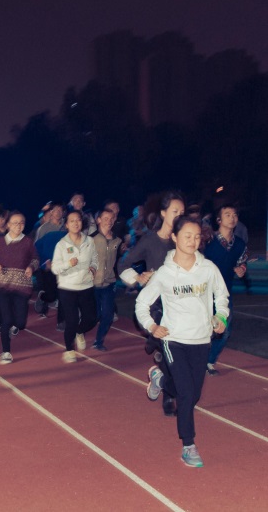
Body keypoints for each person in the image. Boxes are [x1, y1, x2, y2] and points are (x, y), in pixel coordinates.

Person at [135, 218, 229, 467]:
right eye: (187, 236)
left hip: (202, 339)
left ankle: (160, 380)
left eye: (197, 236)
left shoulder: (208, 268)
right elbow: (142, 303)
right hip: (173, 339)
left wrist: (221, 317)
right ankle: (189, 445)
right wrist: (152, 326)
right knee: (186, 393)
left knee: (193, 394)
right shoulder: (164, 274)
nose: (193, 241)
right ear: (175, 237)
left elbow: (221, 296)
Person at [117, 192, 184, 416]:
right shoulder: (149, 240)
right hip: (155, 306)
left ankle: (159, 374)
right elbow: (124, 264)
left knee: (176, 353)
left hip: (178, 304)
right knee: (169, 349)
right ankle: (169, 396)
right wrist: (138, 277)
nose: (179, 215)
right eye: (175, 211)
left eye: (182, 212)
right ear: (164, 213)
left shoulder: (183, 240)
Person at [0, 211, 39, 364]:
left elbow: (35, 259)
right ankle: (6, 352)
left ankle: (14, 326)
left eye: (21, 223)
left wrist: (31, 267)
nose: (18, 226)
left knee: (21, 323)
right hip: (2, 285)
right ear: (8, 225)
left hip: (22, 286)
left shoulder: (28, 242)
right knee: (6, 319)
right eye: (15, 223)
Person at [203, 204, 248, 375]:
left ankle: (209, 361)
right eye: (227, 214)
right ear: (219, 220)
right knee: (202, 329)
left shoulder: (240, 244)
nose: (232, 217)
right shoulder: (207, 241)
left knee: (225, 330)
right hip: (202, 292)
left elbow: (241, 262)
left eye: (234, 214)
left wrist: (241, 269)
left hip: (224, 294)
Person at [52, 211, 99, 363]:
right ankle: (69, 350)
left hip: (86, 285)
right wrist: (68, 264)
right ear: (66, 225)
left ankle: (80, 331)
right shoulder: (61, 245)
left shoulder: (89, 241)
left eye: (78, 220)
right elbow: (55, 268)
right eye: (72, 221)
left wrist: (93, 268)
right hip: (67, 287)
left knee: (92, 318)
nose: (75, 223)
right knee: (71, 320)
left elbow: (95, 259)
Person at [91, 209, 122, 351]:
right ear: (98, 220)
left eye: (111, 218)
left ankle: (98, 341)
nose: (109, 221)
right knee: (95, 314)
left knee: (108, 315)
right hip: (93, 283)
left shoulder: (117, 240)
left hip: (109, 283)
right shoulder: (90, 239)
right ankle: (79, 330)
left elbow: (119, 259)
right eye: (105, 218)